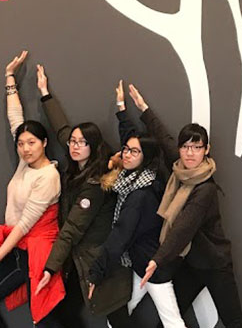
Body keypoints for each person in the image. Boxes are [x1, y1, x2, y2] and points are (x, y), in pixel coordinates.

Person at [129, 85, 242, 328]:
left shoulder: (204, 187)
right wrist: (143, 109)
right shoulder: (180, 171)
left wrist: (157, 260)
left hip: (215, 263)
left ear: (207, 150)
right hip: (191, 262)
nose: (190, 152)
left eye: (197, 147)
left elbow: (184, 227)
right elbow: (164, 139)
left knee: (234, 323)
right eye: (186, 146)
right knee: (168, 321)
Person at [33, 64, 133, 327]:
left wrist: (49, 268)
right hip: (80, 261)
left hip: (97, 262)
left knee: (116, 317)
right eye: (73, 142)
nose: (75, 146)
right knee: (61, 315)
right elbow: (62, 129)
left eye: (82, 143)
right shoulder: (79, 164)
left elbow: (73, 228)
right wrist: (45, 94)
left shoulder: (94, 182)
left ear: (93, 146)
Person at [0, 50, 65, 327]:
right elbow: (16, 120)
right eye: (22, 144)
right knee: (47, 318)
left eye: (31, 143)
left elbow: (24, 225)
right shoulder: (26, 164)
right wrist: (9, 77)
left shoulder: (48, 176)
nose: (25, 148)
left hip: (32, 253)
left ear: (44, 143)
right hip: (19, 249)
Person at [87, 81, 187, 328]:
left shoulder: (139, 194)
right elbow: (133, 143)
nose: (126, 155)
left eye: (134, 152)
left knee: (173, 322)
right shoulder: (135, 179)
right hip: (139, 263)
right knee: (119, 313)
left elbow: (120, 235)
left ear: (146, 158)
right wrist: (122, 110)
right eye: (125, 151)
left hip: (152, 266)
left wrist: (97, 271)